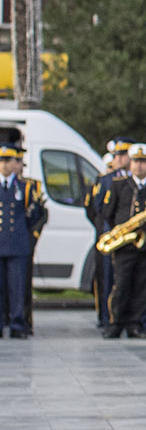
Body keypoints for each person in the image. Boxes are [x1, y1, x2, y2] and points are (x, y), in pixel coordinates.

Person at [98, 144, 146, 340]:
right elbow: (108, 213)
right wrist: (124, 232)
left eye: (143, 162)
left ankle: (136, 324)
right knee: (121, 285)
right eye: (136, 162)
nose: (139, 166)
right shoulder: (119, 184)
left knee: (143, 286)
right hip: (125, 245)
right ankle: (115, 323)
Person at [0, 142, 46, 339]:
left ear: (15, 163)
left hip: (18, 244)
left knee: (17, 287)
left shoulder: (26, 187)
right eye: (1, 160)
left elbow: (34, 215)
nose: (3, 165)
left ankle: (18, 323)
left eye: (7, 160)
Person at [86, 140, 128, 331]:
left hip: (129, 239)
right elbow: (95, 210)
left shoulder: (136, 179)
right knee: (106, 278)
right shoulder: (105, 180)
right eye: (116, 155)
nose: (118, 159)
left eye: (122, 155)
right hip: (109, 236)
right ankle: (106, 317)